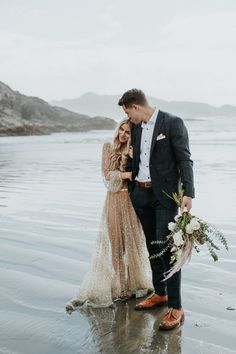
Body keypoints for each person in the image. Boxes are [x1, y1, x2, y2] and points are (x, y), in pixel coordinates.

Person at [118, 89, 195, 330]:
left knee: (167, 247)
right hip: (140, 194)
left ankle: (176, 306)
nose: (128, 118)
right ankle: (159, 293)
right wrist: (132, 188)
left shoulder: (172, 123)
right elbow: (135, 158)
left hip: (164, 197)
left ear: (136, 107)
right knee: (152, 245)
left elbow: (184, 159)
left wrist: (189, 192)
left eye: (128, 112)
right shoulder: (138, 128)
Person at [66, 118, 152, 312]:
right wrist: (126, 174)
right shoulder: (108, 147)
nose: (123, 134)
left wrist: (131, 160)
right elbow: (107, 177)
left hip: (131, 202)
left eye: (127, 132)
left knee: (133, 243)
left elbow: (141, 175)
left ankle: (131, 285)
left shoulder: (135, 150)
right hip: (113, 201)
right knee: (115, 244)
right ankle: (119, 286)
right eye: (121, 130)